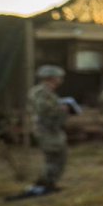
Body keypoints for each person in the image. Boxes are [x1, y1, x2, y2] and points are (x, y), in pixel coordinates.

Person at [25, 64, 71, 194]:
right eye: (58, 77)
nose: (60, 79)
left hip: (51, 129)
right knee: (54, 157)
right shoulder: (41, 92)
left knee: (57, 157)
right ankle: (44, 185)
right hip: (47, 130)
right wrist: (61, 109)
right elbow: (43, 110)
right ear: (51, 78)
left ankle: (48, 183)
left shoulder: (46, 92)